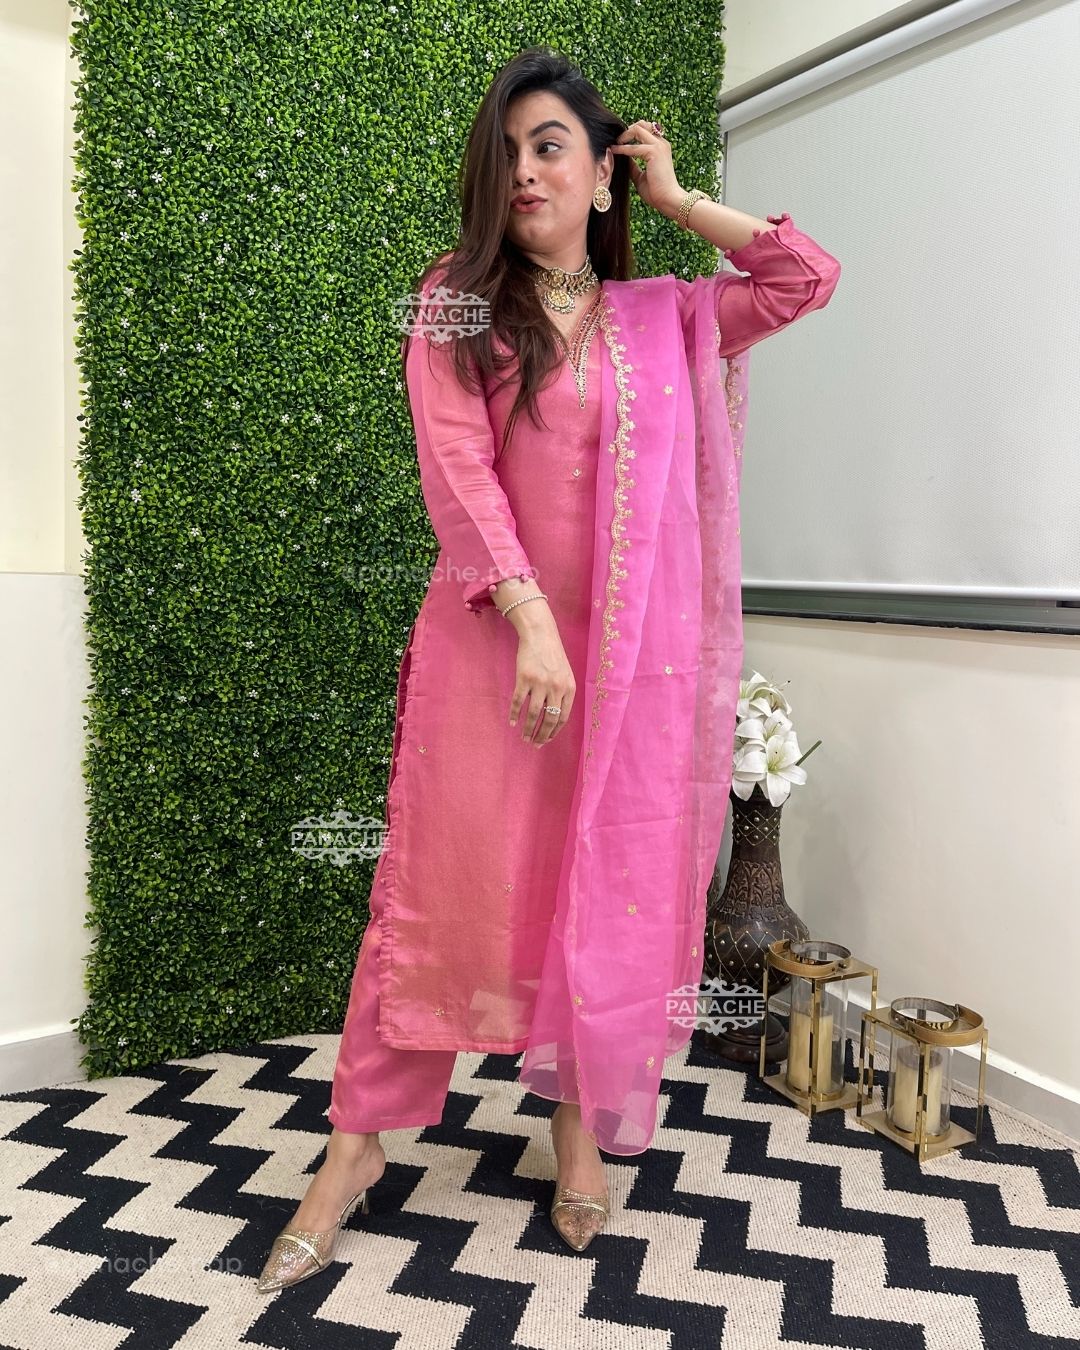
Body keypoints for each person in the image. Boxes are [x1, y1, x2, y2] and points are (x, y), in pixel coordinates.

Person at [257, 46, 840, 1291]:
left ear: (600, 172)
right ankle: (354, 1149)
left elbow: (803, 278)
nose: (524, 170)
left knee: (610, 890)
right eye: (507, 151)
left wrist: (678, 199)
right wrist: (529, 623)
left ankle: (578, 1125)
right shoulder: (457, 300)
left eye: (550, 146)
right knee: (436, 891)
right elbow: (457, 468)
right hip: (495, 655)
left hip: (637, 674)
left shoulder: (669, 314)